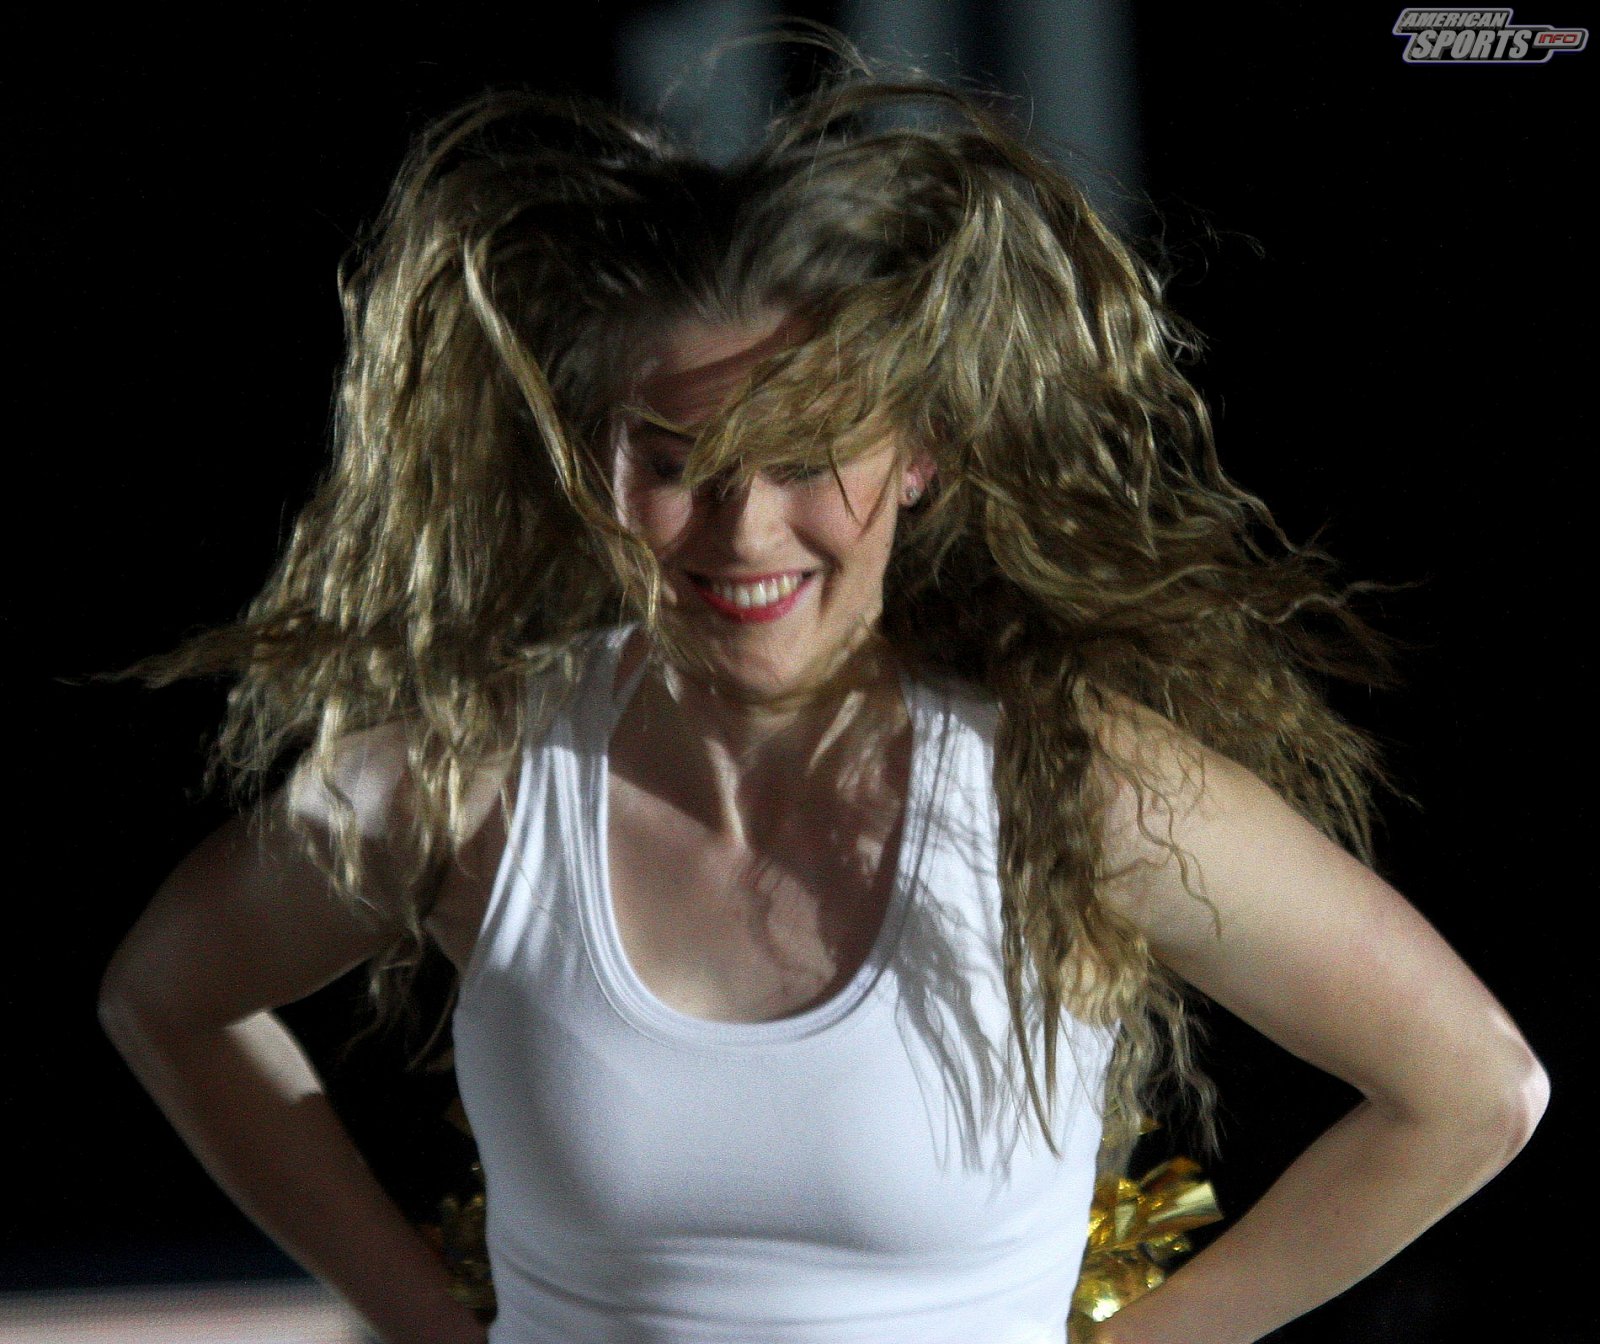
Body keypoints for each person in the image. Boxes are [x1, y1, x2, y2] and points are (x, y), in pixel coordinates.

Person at [97, 53, 1547, 1344]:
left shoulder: (1071, 779)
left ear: (919, 455)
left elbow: (1474, 1090)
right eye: (673, 461)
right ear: (596, 463)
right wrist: (417, 1316)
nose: (743, 533)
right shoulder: (469, 777)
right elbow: (167, 995)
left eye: (808, 458)